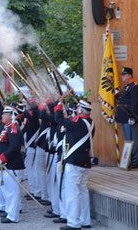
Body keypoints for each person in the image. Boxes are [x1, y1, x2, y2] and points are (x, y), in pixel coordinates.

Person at [55, 97, 95, 230]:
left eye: (78, 108)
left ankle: (73, 223)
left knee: (72, 193)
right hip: (84, 162)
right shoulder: (90, 122)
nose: (76, 111)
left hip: (74, 162)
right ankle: (85, 221)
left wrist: (59, 103)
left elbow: (59, 119)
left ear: (81, 110)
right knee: (82, 192)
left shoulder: (78, 122)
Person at [0, 105, 25, 224]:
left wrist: (2, 158)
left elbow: (14, 147)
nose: (2, 116)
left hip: (12, 164)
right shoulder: (7, 127)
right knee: (7, 190)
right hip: (7, 165)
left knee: (12, 191)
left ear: (11, 116)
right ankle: (9, 212)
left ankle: (13, 216)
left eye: (5, 114)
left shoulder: (13, 128)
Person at [117, 67, 138, 168]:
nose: (122, 76)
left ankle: (134, 162)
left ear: (129, 75)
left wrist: (132, 117)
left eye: (124, 74)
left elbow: (134, 104)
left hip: (130, 117)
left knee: (133, 139)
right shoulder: (127, 87)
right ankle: (129, 161)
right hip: (124, 117)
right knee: (128, 138)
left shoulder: (134, 87)